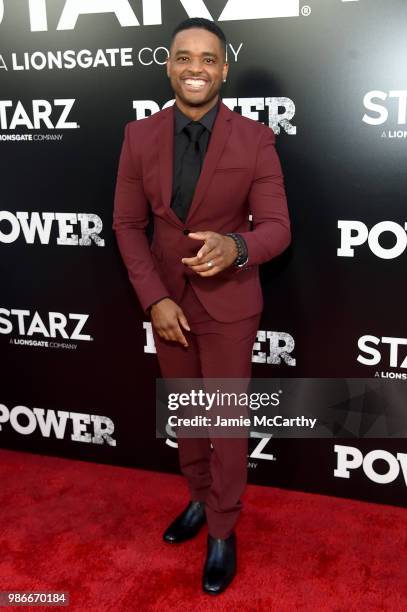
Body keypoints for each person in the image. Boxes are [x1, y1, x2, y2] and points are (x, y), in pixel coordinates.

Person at [113, 17, 291, 595]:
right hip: (169, 307)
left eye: (208, 59)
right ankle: (196, 499)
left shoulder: (255, 138)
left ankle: (222, 528)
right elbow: (126, 224)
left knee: (226, 421)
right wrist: (155, 299)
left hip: (231, 306)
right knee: (187, 416)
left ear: (224, 68)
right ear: (168, 66)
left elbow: (278, 229)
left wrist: (237, 246)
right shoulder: (139, 136)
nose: (196, 68)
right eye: (184, 57)